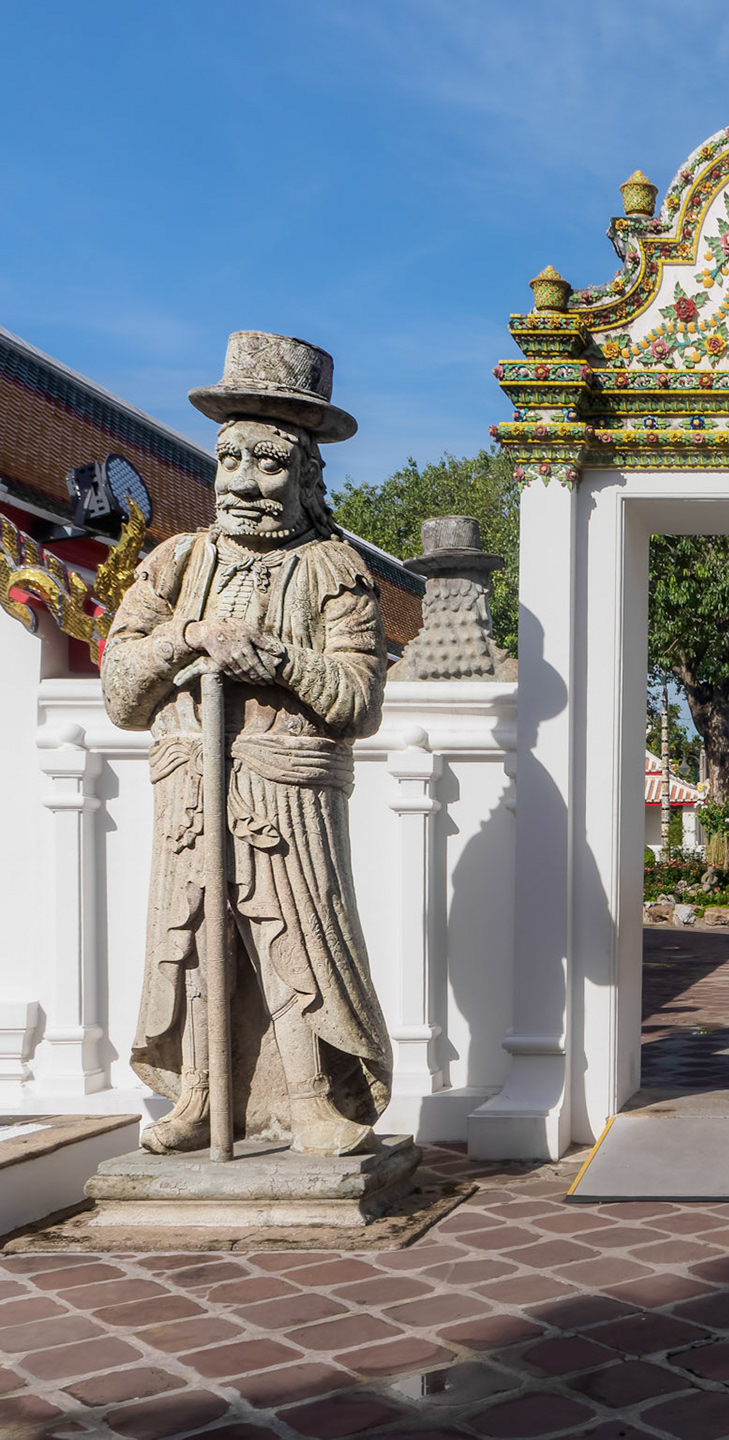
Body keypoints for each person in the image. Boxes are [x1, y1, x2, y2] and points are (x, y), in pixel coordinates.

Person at [101, 333, 391, 1157]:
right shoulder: (176, 562)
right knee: (193, 934)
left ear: (306, 478)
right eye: (230, 462)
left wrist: (275, 660)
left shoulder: (334, 569)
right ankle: (202, 1095)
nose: (243, 484)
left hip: (284, 785)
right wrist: (189, 637)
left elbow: (358, 698)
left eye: (269, 466)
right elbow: (121, 689)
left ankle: (310, 1099)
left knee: (290, 933)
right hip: (191, 780)